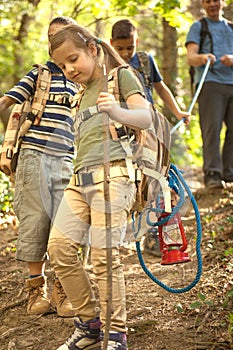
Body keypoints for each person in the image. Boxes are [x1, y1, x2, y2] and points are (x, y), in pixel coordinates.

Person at [47, 23, 151, 350]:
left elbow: (145, 118)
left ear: (93, 49)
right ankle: (91, 323)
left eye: (74, 59)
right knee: (60, 248)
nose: (69, 69)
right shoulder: (78, 96)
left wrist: (116, 109)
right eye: (63, 66)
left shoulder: (120, 77)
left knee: (104, 257)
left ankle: (115, 335)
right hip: (80, 181)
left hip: (115, 174)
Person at [0, 16, 79, 317]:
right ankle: (36, 291)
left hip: (67, 159)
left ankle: (62, 291)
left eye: (62, 38)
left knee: (64, 224)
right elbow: (11, 98)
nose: (54, 44)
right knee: (36, 220)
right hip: (34, 156)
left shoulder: (79, 77)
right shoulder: (39, 73)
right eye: (51, 38)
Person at [110, 19, 190, 256]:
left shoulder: (145, 61)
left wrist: (177, 112)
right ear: (112, 44)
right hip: (121, 132)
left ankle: (156, 237)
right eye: (120, 48)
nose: (125, 53)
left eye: (129, 48)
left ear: (137, 42)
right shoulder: (106, 66)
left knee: (157, 180)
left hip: (149, 129)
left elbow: (160, 87)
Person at [185, 0, 233, 189]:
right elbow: (191, 57)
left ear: (222, 2)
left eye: (215, 0)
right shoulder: (198, 27)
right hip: (210, 82)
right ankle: (213, 174)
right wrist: (203, 57)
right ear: (203, 4)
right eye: (207, 1)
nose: (212, 4)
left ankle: (230, 173)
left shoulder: (231, 27)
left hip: (232, 82)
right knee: (212, 128)